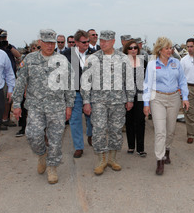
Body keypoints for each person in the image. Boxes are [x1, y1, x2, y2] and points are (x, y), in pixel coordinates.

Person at [12, 29, 75, 184]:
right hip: (35, 106)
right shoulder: (29, 59)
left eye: (52, 43)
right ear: (39, 42)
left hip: (57, 107)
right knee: (33, 135)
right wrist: (16, 103)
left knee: (55, 139)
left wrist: (69, 106)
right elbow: (20, 82)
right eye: (46, 42)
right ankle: (41, 154)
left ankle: (52, 167)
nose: (49, 45)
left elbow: (69, 85)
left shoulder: (62, 61)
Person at [81, 30, 135, 175]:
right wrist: (86, 101)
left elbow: (129, 80)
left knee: (116, 131)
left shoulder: (123, 58)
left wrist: (130, 98)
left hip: (118, 101)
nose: (102, 43)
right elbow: (86, 81)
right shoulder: (92, 58)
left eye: (106, 41)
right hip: (98, 101)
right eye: (101, 41)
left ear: (113, 42)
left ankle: (112, 158)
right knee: (98, 130)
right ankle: (101, 159)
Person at [143, 36, 189, 175]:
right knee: (160, 131)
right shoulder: (152, 64)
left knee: (170, 130)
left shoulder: (176, 63)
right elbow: (147, 84)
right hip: (157, 99)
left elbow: (182, 81)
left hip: (174, 98)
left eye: (171, 48)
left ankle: (167, 149)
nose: (170, 50)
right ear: (159, 49)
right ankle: (160, 160)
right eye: (167, 48)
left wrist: (185, 98)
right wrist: (146, 103)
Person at [63, 30, 94, 158]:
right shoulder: (67, 55)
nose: (87, 44)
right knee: (75, 120)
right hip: (74, 92)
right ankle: (79, 147)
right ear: (76, 42)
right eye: (84, 42)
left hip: (91, 92)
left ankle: (90, 134)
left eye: (88, 41)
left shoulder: (94, 54)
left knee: (92, 117)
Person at [123, 40, 147, 157]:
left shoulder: (144, 62)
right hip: (127, 97)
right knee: (129, 121)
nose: (133, 50)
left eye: (135, 48)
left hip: (141, 96)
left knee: (140, 121)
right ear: (126, 49)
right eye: (130, 48)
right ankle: (131, 146)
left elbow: (147, 81)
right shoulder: (122, 63)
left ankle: (141, 148)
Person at [0, 29, 21, 129]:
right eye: (1, 37)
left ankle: (5, 119)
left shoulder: (9, 47)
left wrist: (8, 47)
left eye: (5, 37)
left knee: (8, 99)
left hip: (9, 77)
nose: (3, 39)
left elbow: (18, 56)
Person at [16, 40, 41, 137]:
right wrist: (25, 90)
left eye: (38, 48)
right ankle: (23, 128)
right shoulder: (27, 60)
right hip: (29, 90)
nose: (37, 50)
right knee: (25, 110)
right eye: (34, 48)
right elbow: (22, 77)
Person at [180, 38, 194, 144]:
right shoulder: (183, 61)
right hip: (188, 87)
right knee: (189, 111)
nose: (189, 49)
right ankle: (190, 134)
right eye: (187, 46)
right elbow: (180, 76)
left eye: (191, 46)